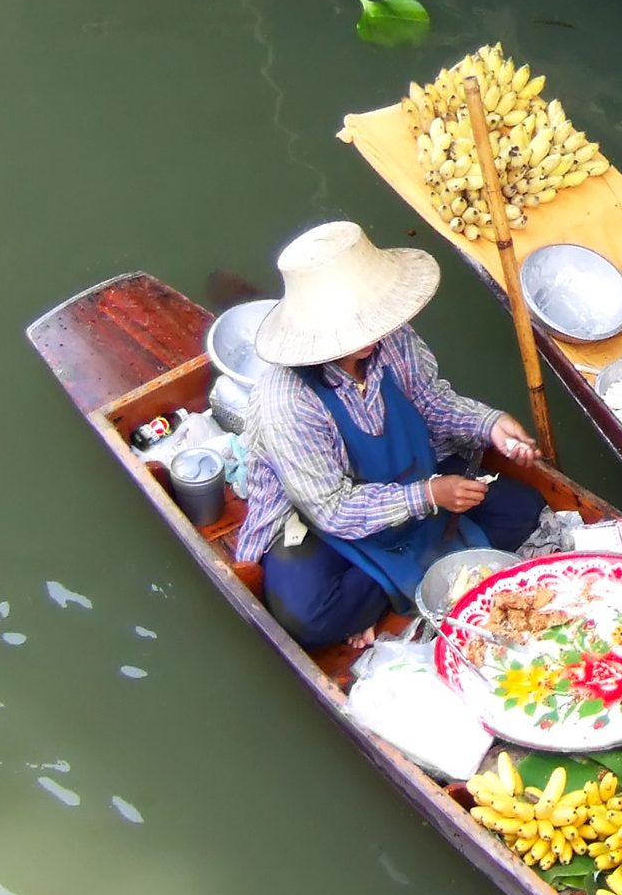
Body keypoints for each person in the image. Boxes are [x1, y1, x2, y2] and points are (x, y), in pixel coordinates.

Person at [234, 221, 546, 649]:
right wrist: (430, 495)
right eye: (355, 329)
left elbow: (432, 404)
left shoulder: (389, 340)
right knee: (310, 620)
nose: (371, 337)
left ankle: (390, 589)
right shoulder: (287, 401)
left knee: (524, 509)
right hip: (323, 522)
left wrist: (489, 424)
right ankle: (405, 581)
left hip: (409, 478)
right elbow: (331, 509)